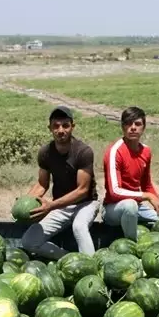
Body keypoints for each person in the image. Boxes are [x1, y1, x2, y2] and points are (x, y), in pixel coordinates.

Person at [19, 106, 101, 259]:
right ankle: (67, 260)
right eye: (56, 126)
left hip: (86, 203)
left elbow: (82, 190)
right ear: (50, 128)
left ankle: (91, 269)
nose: (61, 130)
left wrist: (51, 206)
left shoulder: (83, 152)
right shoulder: (45, 153)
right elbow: (42, 184)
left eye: (65, 125)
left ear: (72, 127)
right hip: (61, 206)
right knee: (29, 242)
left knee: (79, 227)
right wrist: (26, 201)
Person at [102, 106, 159, 240]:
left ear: (143, 128)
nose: (133, 127)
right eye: (128, 123)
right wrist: (148, 196)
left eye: (137, 124)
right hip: (113, 209)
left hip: (136, 207)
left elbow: (146, 184)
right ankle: (132, 246)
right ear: (122, 127)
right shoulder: (115, 152)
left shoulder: (146, 151)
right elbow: (114, 192)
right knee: (130, 205)